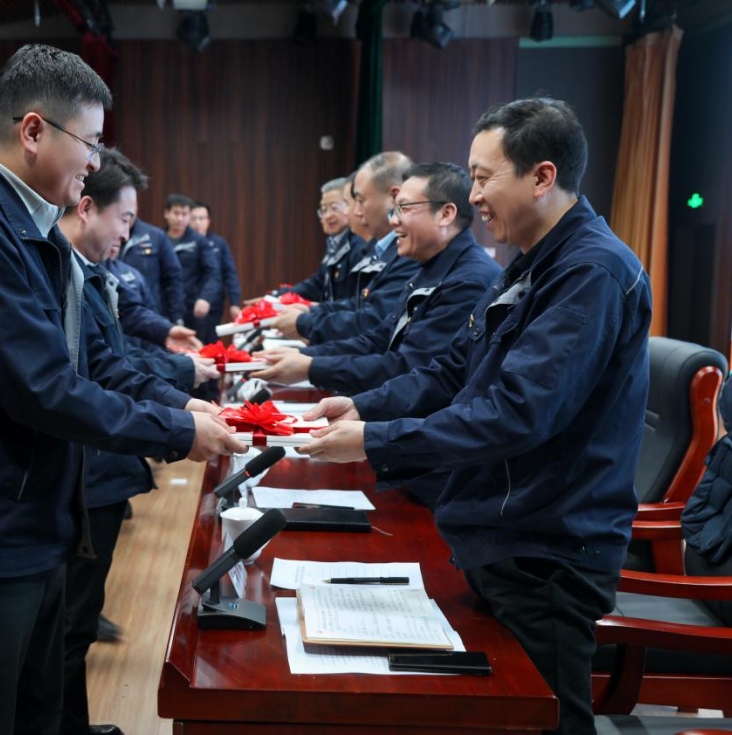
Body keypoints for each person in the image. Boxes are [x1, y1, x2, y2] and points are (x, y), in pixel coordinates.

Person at [0, 44, 245, 735]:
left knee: (41, 717)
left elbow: (93, 361)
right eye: (90, 142)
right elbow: (43, 390)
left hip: (31, 525)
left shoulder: (33, 232)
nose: (94, 162)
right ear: (33, 131)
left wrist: (179, 404)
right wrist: (177, 432)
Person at [297, 98, 652, 735]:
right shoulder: (531, 263)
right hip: (500, 532)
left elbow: (515, 414)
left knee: (546, 720)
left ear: (542, 177)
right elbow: (452, 369)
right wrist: (364, 407)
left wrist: (376, 440)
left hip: (545, 549)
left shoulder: (591, 271)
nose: (475, 195)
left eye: (485, 178)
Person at [56, 148, 217, 735]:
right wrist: (179, 419)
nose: (130, 234)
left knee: (73, 624)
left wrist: (183, 405)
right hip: (81, 468)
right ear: (86, 207)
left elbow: (114, 360)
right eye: (125, 219)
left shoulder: (87, 272)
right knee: (67, 626)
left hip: (96, 465)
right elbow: (91, 380)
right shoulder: (58, 273)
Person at [254, 162, 500, 399]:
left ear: (445, 214)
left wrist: (312, 367)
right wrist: (305, 356)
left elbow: (408, 369)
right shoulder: (430, 267)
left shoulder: (468, 281)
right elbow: (379, 339)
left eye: (404, 208)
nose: (394, 220)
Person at [270, 152, 419, 344]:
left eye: (359, 201)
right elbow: (359, 306)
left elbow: (371, 322)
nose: (354, 212)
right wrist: (312, 312)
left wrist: (308, 329)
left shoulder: (409, 252)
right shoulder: (380, 248)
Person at [282, 177, 366, 303]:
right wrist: (278, 296)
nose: (328, 216)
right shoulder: (334, 243)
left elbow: (355, 303)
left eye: (334, 207)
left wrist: (315, 310)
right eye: (324, 210)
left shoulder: (359, 244)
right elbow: (317, 284)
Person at [165, 193, 221, 343]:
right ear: (167, 213)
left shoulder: (199, 241)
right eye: (176, 213)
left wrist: (205, 298)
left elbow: (213, 273)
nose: (180, 218)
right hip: (164, 307)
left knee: (195, 347)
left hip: (192, 307)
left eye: (184, 214)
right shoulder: (159, 239)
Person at [119, 216, 185, 322]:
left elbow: (173, 278)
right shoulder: (107, 234)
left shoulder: (156, 236)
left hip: (150, 314)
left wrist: (177, 317)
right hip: (115, 314)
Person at [190, 201, 242, 322]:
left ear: (208, 221)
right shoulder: (183, 244)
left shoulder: (219, 243)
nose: (197, 222)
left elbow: (230, 274)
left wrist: (234, 303)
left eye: (201, 218)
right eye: (194, 218)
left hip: (213, 305)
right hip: (187, 304)